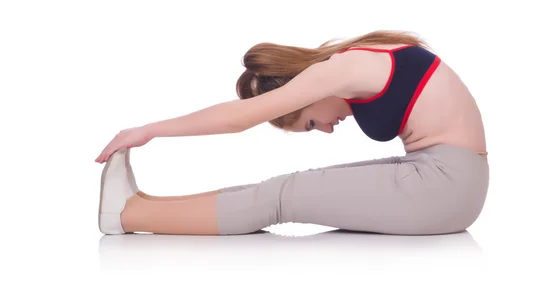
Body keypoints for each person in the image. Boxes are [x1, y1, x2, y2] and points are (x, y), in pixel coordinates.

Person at [95, 30, 489, 236]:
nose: (326, 129)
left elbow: (239, 118)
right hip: (446, 181)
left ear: (303, 89)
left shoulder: (343, 69)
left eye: (310, 123)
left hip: (445, 186)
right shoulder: (364, 56)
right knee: (281, 187)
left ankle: (129, 215)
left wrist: (149, 130)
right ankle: (142, 203)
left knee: (282, 197)